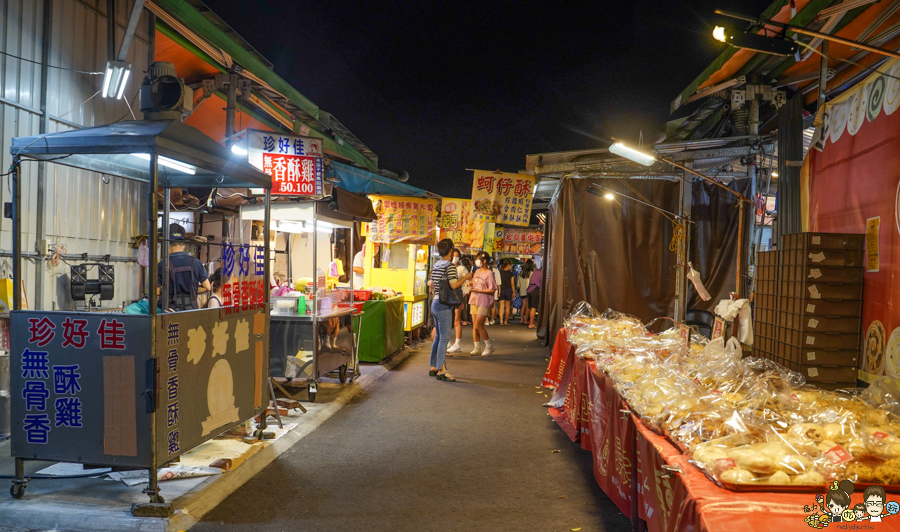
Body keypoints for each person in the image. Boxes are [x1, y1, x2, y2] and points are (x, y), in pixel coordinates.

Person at [427, 238, 472, 381]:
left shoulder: (437, 265)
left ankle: (434, 366)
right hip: (443, 305)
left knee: (439, 337)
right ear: (451, 251)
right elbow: (453, 285)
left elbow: (432, 284)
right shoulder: (449, 266)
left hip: (435, 302)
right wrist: (466, 277)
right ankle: (442, 369)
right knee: (444, 338)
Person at [157, 223, 210, 310]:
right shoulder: (196, 263)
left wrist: (167, 290)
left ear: (167, 244)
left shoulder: (161, 265)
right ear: (183, 246)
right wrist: (193, 291)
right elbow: (207, 287)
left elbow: (156, 291)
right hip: (191, 310)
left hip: (170, 310)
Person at [470, 251, 498, 356]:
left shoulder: (489, 273)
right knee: (475, 326)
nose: (477, 261)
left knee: (478, 325)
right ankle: (476, 347)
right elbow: (475, 283)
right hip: (474, 299)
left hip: (484, 301)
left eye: (478, 259)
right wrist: (470, 285)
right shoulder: (477, 271)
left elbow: (492, 290)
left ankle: (489, 346)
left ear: (484, 261)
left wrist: (479, 291)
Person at [448, 249, 469, 353]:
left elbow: (468, 281)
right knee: (448, 320)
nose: (454, 257)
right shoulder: (447, 267)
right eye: (453, 255)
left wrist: (466, 292)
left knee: (457, 320)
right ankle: (447, 342)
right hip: (448, 296)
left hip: (457, 295)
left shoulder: (461, 268)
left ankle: (457, 343)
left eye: (457, 256)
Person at [498, 259, 515, 325]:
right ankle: (505, 321)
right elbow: (512, 284)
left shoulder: (500, 273)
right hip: (508, 290)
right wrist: (513, 292)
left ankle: (501, 321)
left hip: (501, 290)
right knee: (507, 306)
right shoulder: (511, 274)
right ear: (508, 265)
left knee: (501, 306)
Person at [526, 260, 542, 329]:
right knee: (533, 307)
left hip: (529, 289)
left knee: (529, 307)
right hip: (534, 290)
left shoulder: (535, 271)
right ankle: (531, 324)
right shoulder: (541, 273)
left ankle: (528, 321)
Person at [518, 259, 534, 325]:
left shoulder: (521, 273)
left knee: (523, 305)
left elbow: (518, 284)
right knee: (528, 306)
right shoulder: (531, 273)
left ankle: (521, 319)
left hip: (522, 291)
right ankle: (526, 320)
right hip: (529, 291)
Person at [459, 256, 473, 326]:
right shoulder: (468, 269)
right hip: (467, 290)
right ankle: (467, 319)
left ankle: (464, 320)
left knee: (463, 306)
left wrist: (468, 289)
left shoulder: (462, 269)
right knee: (467, 306)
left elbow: (468, 280)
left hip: (464, 290)